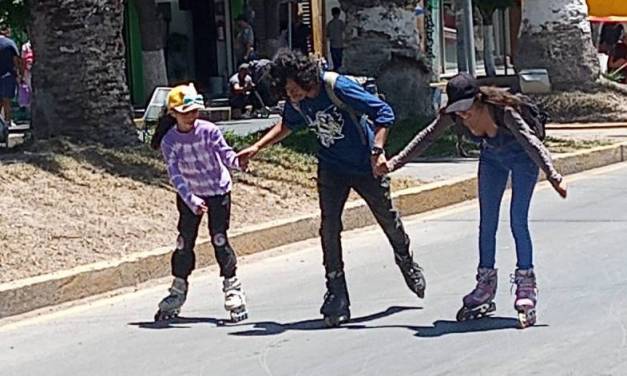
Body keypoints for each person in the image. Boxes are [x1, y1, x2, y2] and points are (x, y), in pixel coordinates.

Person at [237, 50, 426, 327]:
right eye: (286, 92)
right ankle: (336, 292)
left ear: (304, 78)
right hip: (331, 167)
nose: (292, 96)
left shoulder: (335, 86)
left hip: (365, 165)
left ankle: (405, 258)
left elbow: (383, 113)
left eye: (293, 89)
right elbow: (288, 123)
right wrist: (256, 147)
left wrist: (377, 150)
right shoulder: (296, 101)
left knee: (387, 218)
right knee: (329, 227)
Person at [385, 73, 567, 328]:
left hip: (523, 160)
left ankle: (526, 284)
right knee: (487, 223)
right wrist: (395, 162)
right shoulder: (455, 115)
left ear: (479, 101)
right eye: (457, 112)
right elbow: (427, 136)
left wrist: (553, 175)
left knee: (518, 221)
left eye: (466, 110)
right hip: (492, 159)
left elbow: (531, 142)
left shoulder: (504, 113)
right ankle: (485, 283)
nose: (463, 116)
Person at [151, 83, 248, 323]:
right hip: (190, 195)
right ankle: (177, 290)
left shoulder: (209, 130)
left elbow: (225, 154)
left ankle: (232, 287)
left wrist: (238, 162)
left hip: (217, 191)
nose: (191, 117)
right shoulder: (170, 140)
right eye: (185, 113)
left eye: (194, 111)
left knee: (219, 238)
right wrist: (191, 199)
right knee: (184, 243)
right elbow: (174, 174)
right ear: (173, 113)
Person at [0, 26, 21, 124]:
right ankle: (7, 122)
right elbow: (16, 60)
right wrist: (18, 74)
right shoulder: (10, 43)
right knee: (7, 100)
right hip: (7, 75)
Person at [326, 7, 345, 72]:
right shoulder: (341, 23)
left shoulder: (330, 24)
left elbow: (327, 34)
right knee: (339, 60)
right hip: (340, 44)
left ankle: (336, 70)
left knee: (335, 60)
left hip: (333, 44)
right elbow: (346, 31)